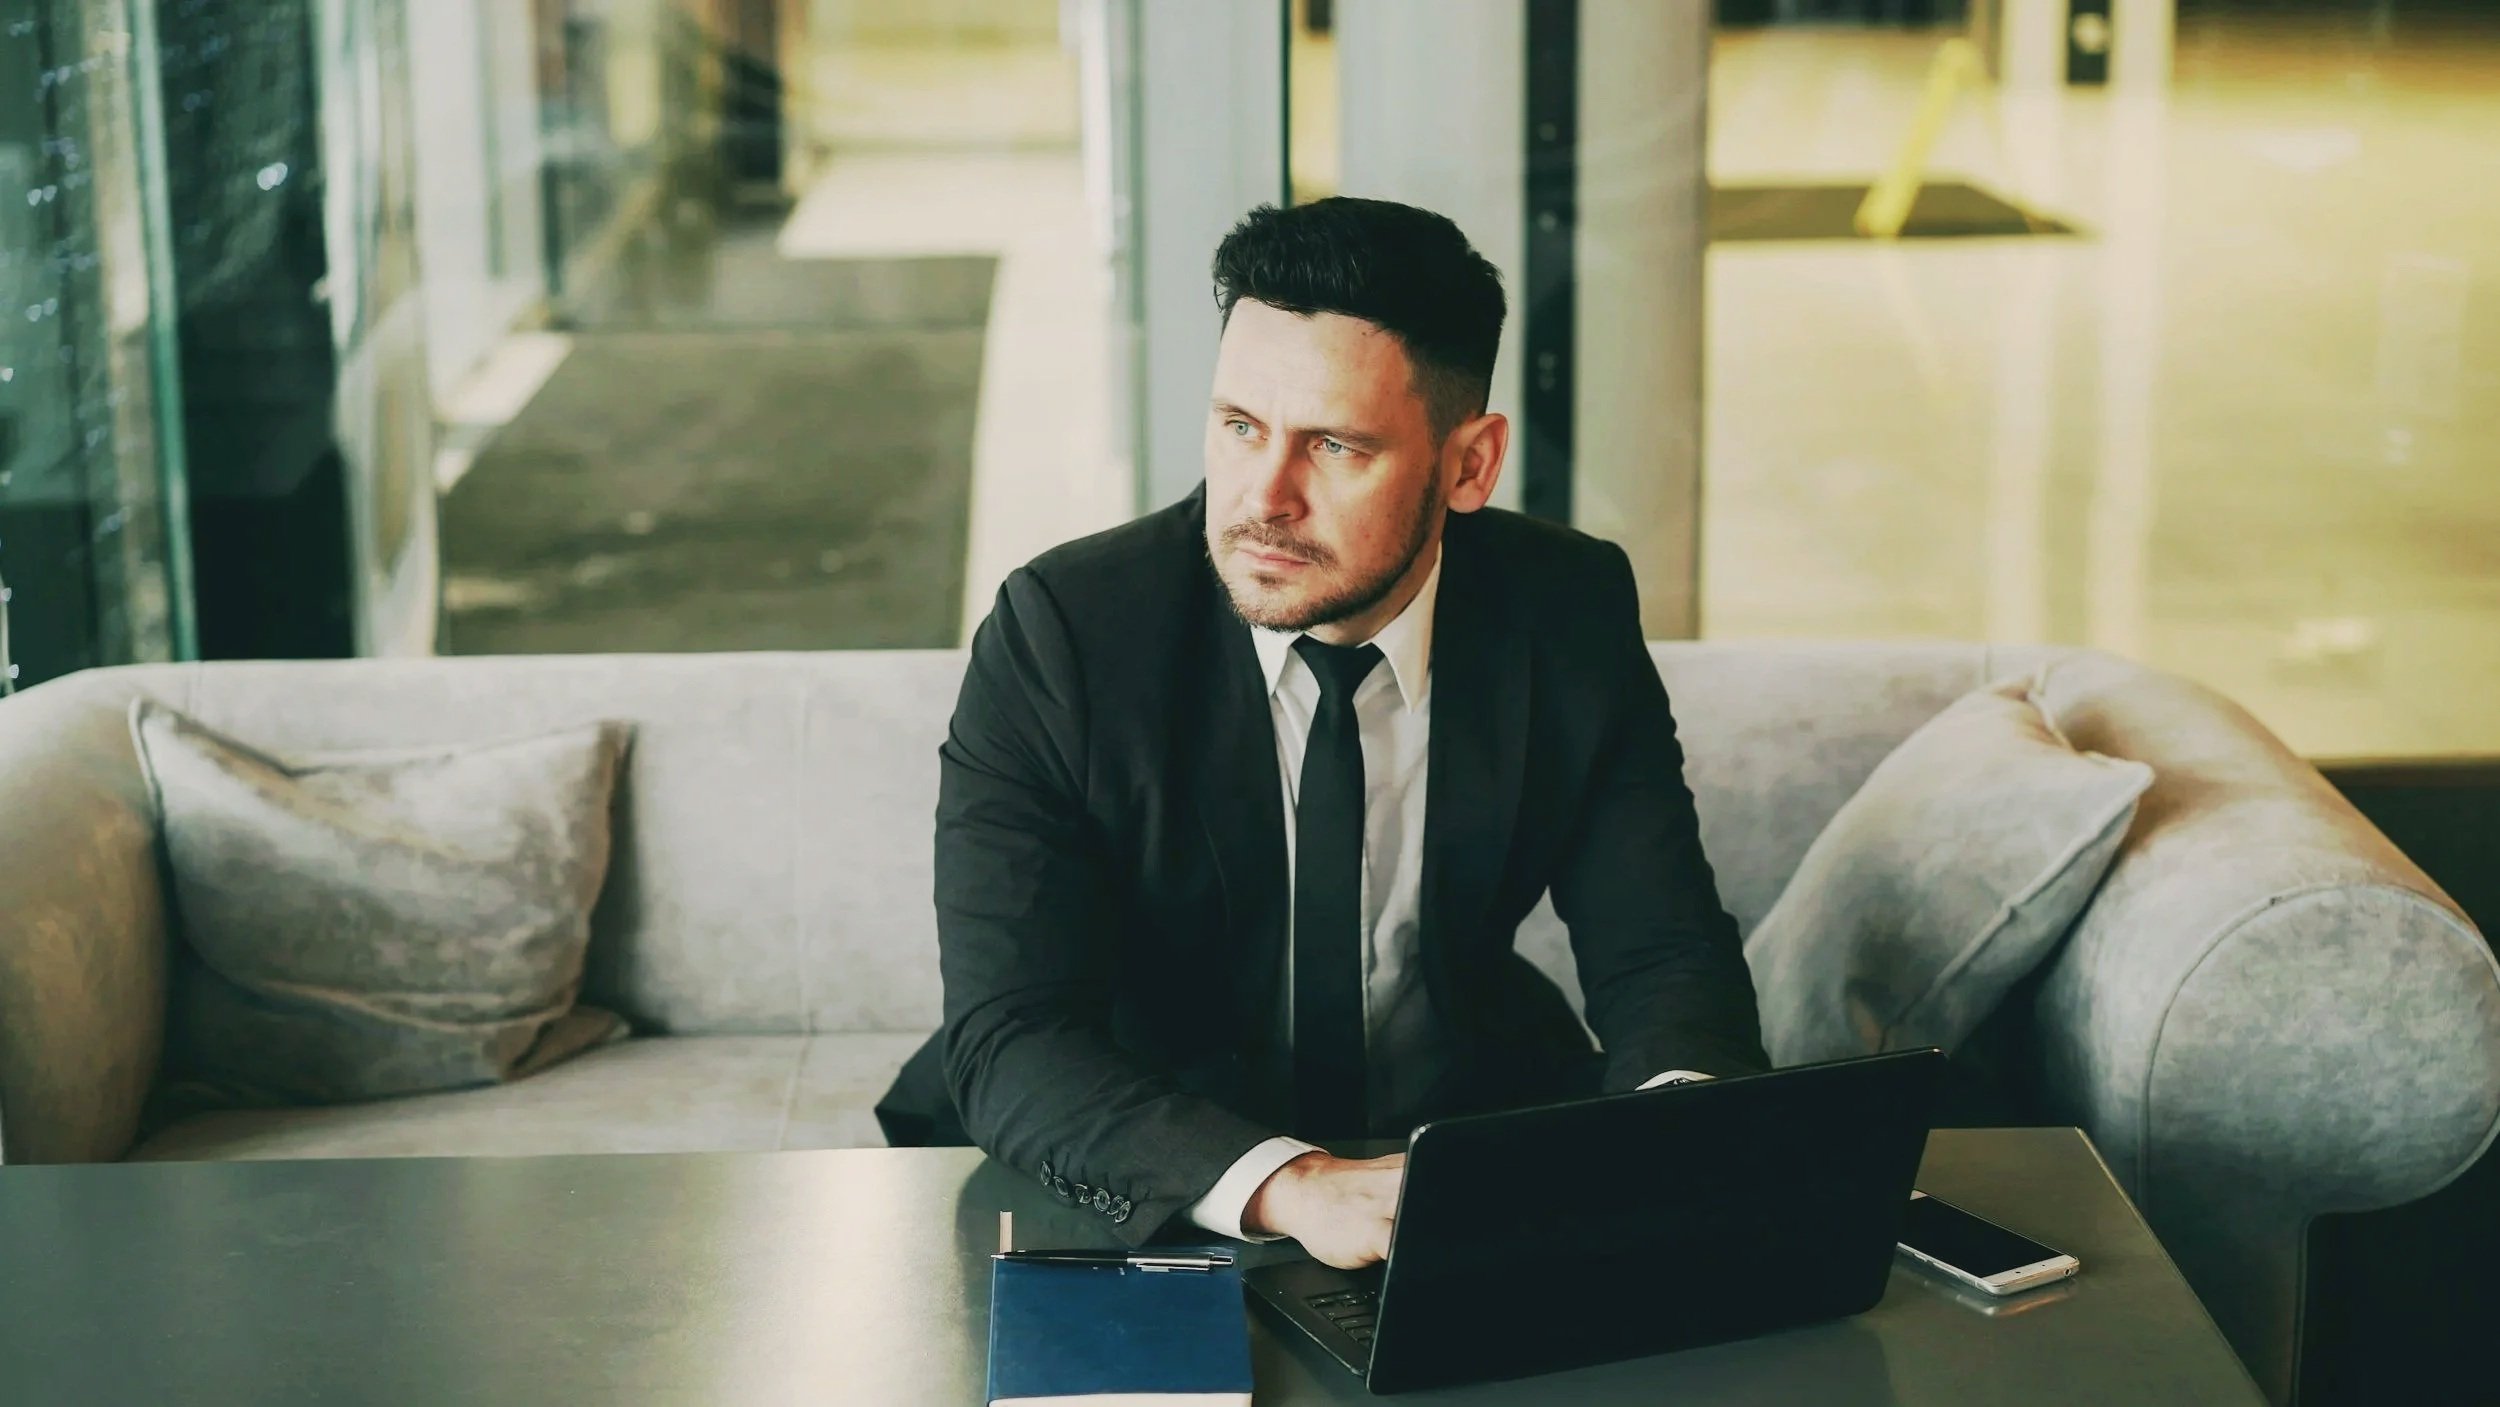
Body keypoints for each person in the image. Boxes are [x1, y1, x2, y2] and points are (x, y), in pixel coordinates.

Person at [877, 196, 1765, 1270]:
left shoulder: (1564, 607)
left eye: (1336, 446)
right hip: (1146, 1167)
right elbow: (1013, 1034)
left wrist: (1684, 1134)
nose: (1263, 497)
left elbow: (1659, 949)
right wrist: (1289, 1186)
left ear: (1469, 465)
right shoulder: (1064, 632)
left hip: (1450, 1152)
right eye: (1239, 427)